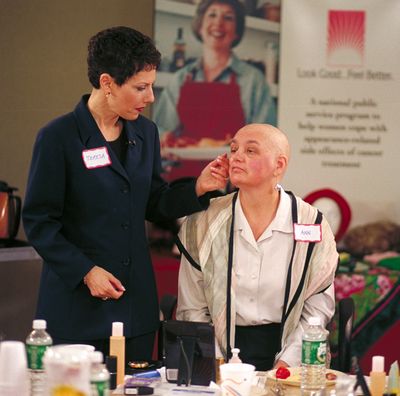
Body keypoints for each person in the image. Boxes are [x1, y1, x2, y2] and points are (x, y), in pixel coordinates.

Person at [22, 26, 229, 363]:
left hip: (134, 308)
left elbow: (153, 200)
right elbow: (39, 223)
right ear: (107, 83)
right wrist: (86, 272)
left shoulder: (145, 132)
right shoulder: (58, 137)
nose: (150, 98)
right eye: (141, 88)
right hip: (76, 307)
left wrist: (197, 188)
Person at [176, 123, 338, 370]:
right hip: (217, 351)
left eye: (251, 151)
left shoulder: (311, 222)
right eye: (233, 149)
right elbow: (192, 308)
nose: (237, 156)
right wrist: (217, 364)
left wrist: (285, 366)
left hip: (290, 351)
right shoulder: (203, 222)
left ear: (279, 165)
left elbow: (316, 309)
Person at [153, 0, 276, 178]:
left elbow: (265, 139)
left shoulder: (253, 81)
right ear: (200, 26)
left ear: (237, 31)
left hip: (233, 181)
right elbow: (162, 130)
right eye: (212, 15)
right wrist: (164, 144)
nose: (218, 23)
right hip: (183, 181)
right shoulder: (180, 79)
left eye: (228, 17)